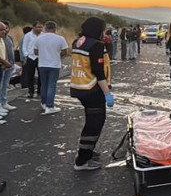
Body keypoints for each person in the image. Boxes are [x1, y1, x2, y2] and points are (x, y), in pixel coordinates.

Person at [69, 17, 114, 171]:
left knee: (91, 120)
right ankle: (82, 160)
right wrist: (107, 93)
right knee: (95, 123)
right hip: (92, 89)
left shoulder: (78, 41)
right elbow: (98, 71)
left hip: (79, 87)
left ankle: (88, 151)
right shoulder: (96, 45)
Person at [35, 21, 68, 115]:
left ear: (45, 28)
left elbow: (35, 52)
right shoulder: (60, 38)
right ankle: (50, 106)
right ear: (55, 28)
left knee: (44, 84)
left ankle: (44, 103)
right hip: (54, 64)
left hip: (42, 64)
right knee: (51, 85)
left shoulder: (39, 38)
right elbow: (64, 52)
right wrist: (57, 55)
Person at [0, 20, 17, 113]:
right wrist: (4, 63)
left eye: (6, 28)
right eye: (2, 28)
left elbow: (11, 50)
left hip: (10, 64)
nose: (4, 30)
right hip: (2, 65)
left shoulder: (9, 38)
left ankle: (4, 102)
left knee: (5, 85)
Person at [20, 21, 43, 100]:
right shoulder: (28, 35)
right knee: (30, 75)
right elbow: (24, 46)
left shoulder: (43, 35)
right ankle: (31, 91)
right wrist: (26, 56)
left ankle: (40, 90)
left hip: (40, 57)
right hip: (30, 57)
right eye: (38, 27)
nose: (40, 28)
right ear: (33, 27)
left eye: (41, 27)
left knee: (41, 75)